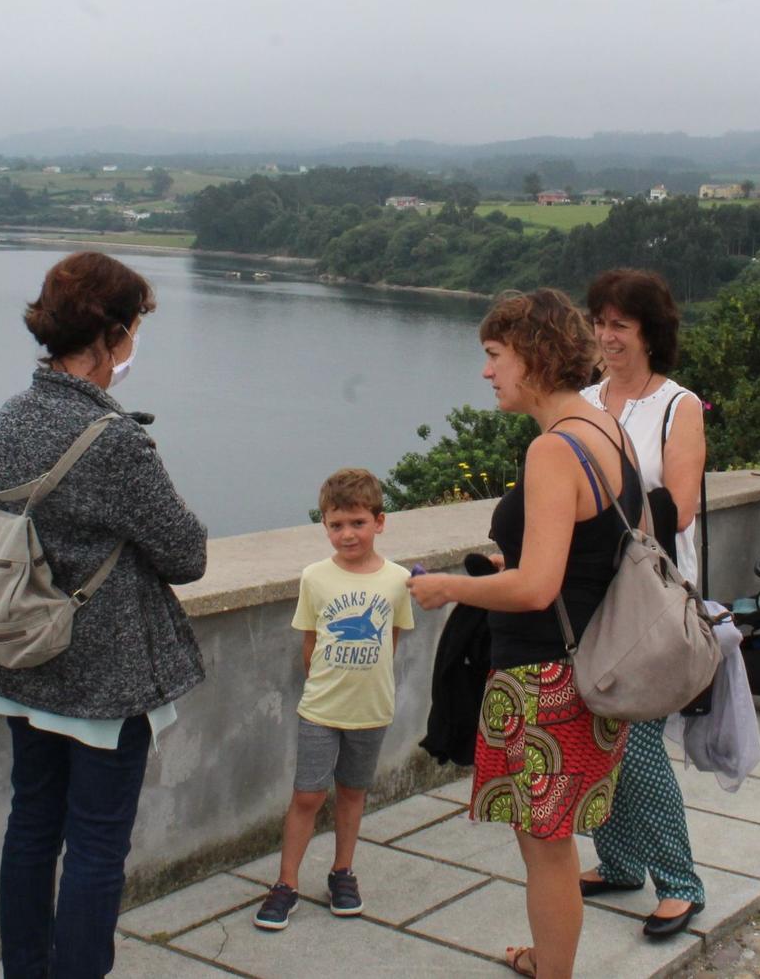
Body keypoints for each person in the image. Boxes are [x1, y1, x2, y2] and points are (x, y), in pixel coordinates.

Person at [0, 251, 209, 979]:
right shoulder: (115, 440)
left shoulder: (13, 415)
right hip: (103, 678)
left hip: (22, 653)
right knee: (98, 844)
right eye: (134, 325)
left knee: (31, 825)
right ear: (114, 333)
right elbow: (186, 551)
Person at [409, 289, 639, 979]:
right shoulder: (607, 428)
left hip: (545, 678)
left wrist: (449, 586)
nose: (487, 372)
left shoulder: (553, 449)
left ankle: (554, 971)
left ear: (533, 355)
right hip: (587, 666)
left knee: (547, 848)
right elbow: (608, 552)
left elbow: (537, 588)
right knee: (553, 841)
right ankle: (549, 956)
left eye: (494, 355)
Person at [573, 269, 707, 940]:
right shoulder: (584, 398)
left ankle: (680, 881)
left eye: (619, 324)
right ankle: (620, 860)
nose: (605, 335)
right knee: (599, 731)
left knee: (643, 740)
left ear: (650, 332)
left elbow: (675, 504)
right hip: (590, 595)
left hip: (650, 598)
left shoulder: (678, 405)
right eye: (599, 322)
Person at [254, 468, 414, 931]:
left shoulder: (397, 580)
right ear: (324, 525)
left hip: (372, 709)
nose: (347, 534)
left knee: (352, 792)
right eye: (336, 524)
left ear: (380, 522)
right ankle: (285, 883)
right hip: (321, 709)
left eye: (358, 523)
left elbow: (393, 640)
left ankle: (342, 872)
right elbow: (310, 643)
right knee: (307, 794)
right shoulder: (314, 577)